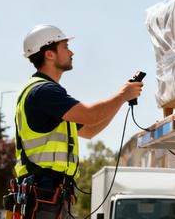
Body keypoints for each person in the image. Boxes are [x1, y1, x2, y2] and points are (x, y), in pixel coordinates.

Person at [11, 25, 143, 218]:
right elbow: (91, 115)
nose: (71, 52)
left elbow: (90, 130)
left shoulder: (49, 95)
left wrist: (122, 100)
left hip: (49, 192)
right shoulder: (44, 92)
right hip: (43, 191)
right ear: (49, 54)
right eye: (65, 46)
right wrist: (122, 95)